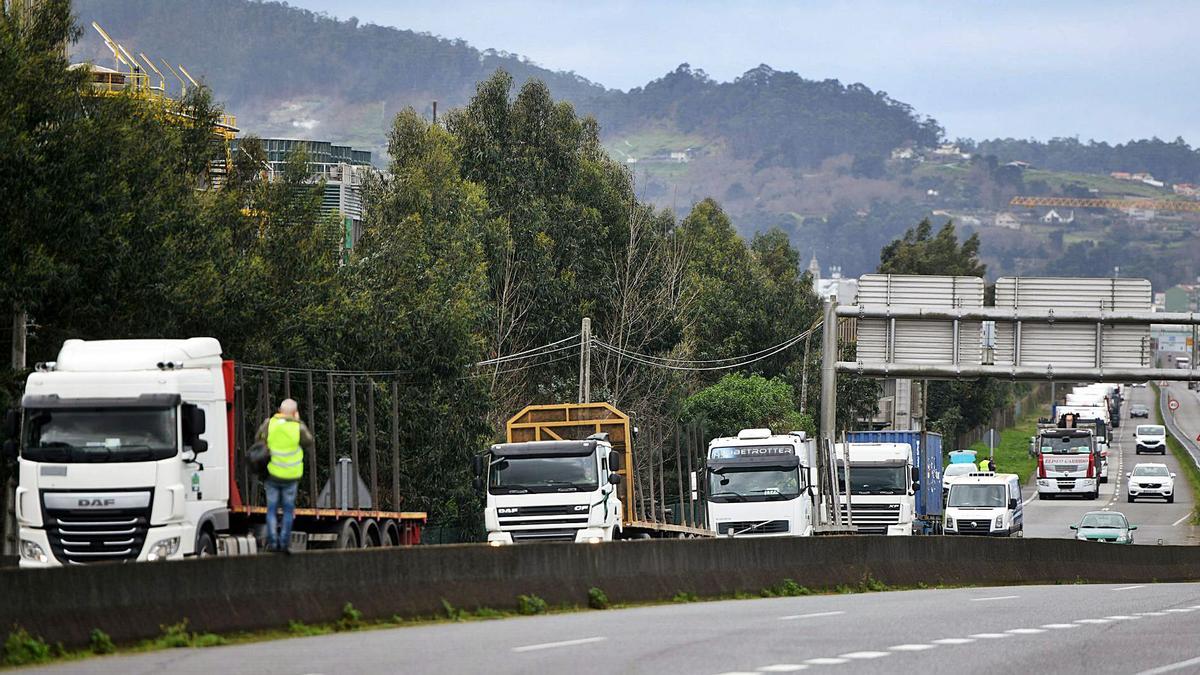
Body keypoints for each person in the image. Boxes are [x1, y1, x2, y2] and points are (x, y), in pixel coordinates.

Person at [255, 398, 315, 553]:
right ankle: (284, 543)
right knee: (288, 511)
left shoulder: (270, 423)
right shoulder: (298, 427)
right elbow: (309, 441)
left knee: (272, 510)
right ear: (295, 413)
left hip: (273, 474)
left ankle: (273, 543)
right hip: (290, 476)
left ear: (280, 411)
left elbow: (258, 439)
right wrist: (298, 421)